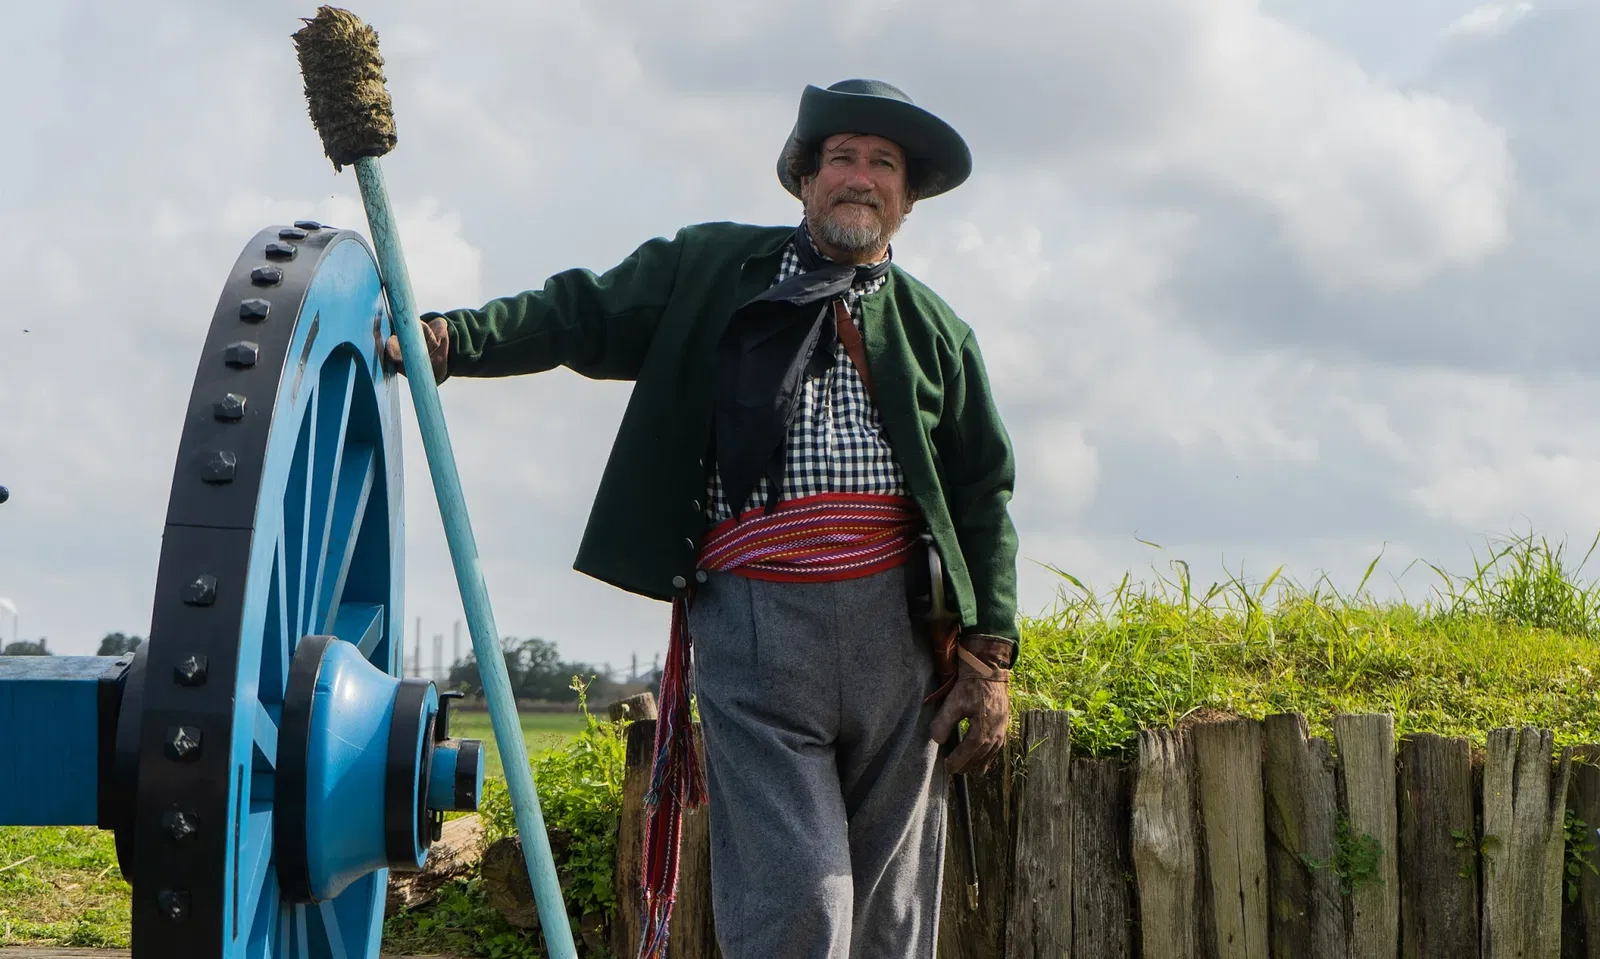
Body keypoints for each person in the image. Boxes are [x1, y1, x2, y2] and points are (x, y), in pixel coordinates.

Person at [389, 78, 1020, 959]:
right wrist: (455, 340)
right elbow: (581, 313)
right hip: (757, 628)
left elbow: (983, 490)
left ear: (906, 201)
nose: (861, 178)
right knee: (799, 898)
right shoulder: (710, 269)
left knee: (889, 911)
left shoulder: (936, 330)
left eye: (884, 165)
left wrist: (988, 660)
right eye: (842, 157)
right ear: (804, 177)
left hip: (901, 634)